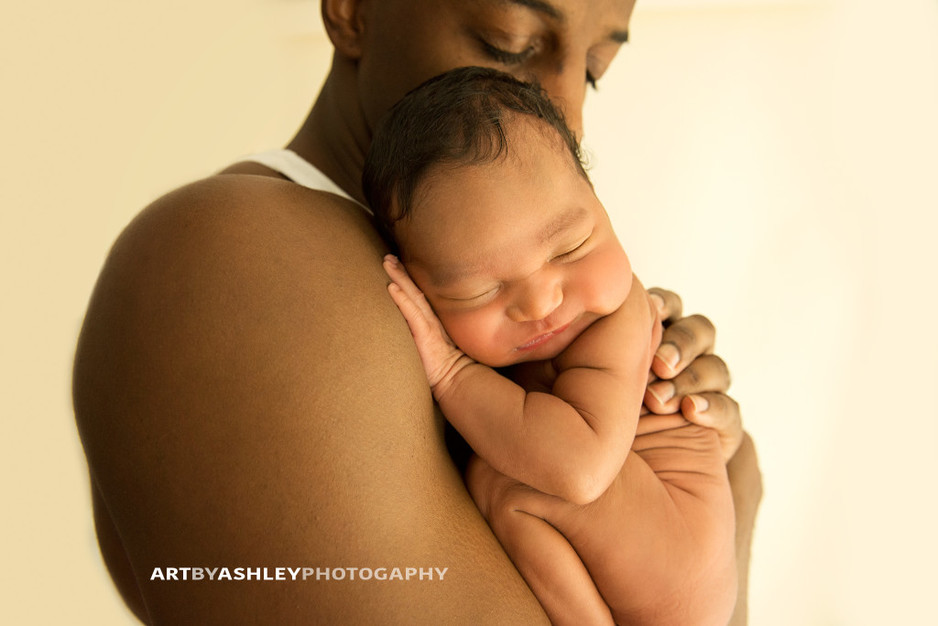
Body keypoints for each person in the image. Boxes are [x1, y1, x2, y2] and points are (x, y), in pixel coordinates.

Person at [72, 1, 761, 623]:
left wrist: (716, 477)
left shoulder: (530, 303)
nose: (568, 116)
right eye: (510, 44)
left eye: (595, 70)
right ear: (352, 10)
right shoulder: (234, 253)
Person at [369, 66, 736, 624]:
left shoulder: (621, 316)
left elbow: (580, 470)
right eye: (480, 290)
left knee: (503, 481)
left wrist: (449, 374)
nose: (540, 303)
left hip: (676, 547)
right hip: (656, 558)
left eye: (570, 247)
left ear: (601, 206)